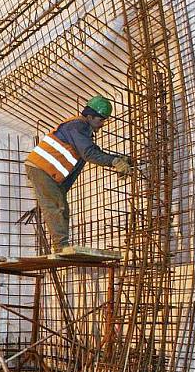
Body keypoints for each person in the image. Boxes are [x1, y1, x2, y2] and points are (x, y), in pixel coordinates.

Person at [25, 95, 132, 254]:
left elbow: (92, 152)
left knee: (61, 207)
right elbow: (89, 153)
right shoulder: (77, 126)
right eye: (100, 120)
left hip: (49, 173)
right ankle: (61, 247)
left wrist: (116, 159)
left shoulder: (81, 130)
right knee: (56, 207)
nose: (102, 124)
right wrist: (114, 161)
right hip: (42, 168)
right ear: (89, 116)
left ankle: (61, 245)